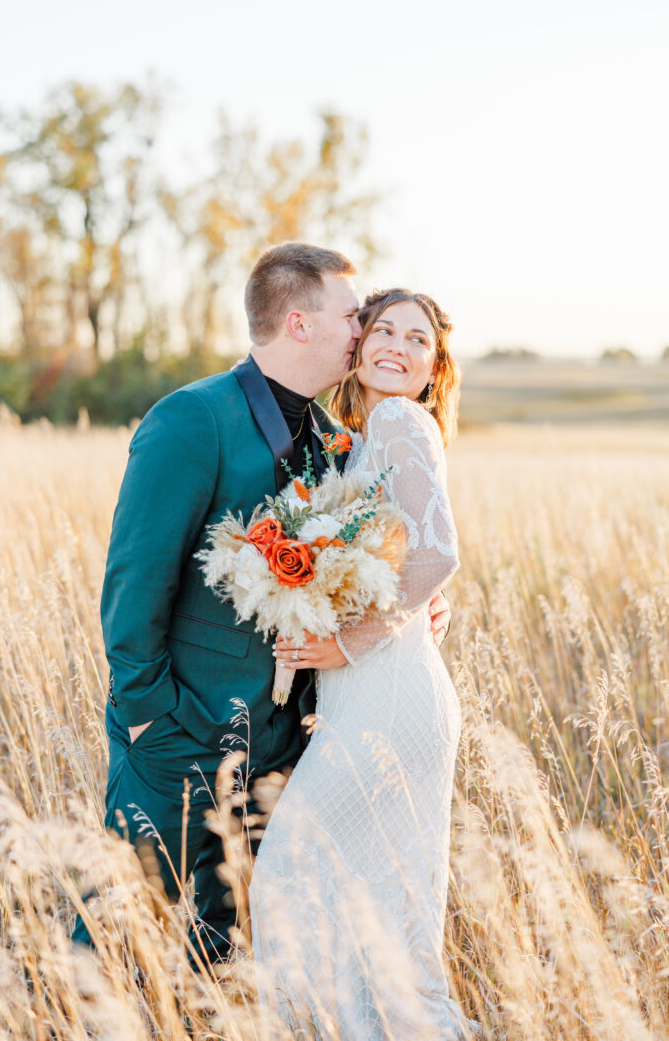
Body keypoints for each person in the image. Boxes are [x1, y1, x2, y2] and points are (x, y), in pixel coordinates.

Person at [72, 246, 451, 961]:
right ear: (300, 324)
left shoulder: (339, 442)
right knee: (110, 937)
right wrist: (151, 712)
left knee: (229, 947)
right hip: (177, 735)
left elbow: (382, 557)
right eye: (353, 315)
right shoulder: (191, 418)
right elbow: (134, 582)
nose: (363, 329)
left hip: (287, 747)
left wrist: (413, 613)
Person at [250, 288, 478, 1039]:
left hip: (389, 693)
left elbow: (439, 554)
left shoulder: (398, 419)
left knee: (287, 871)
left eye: (417, 340)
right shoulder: (364, 431)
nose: (396, 347)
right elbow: (406, 559)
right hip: (381, 692)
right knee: (380, 901)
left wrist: (348, 641)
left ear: (433, 364)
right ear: (360, 342)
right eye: (383, 329)